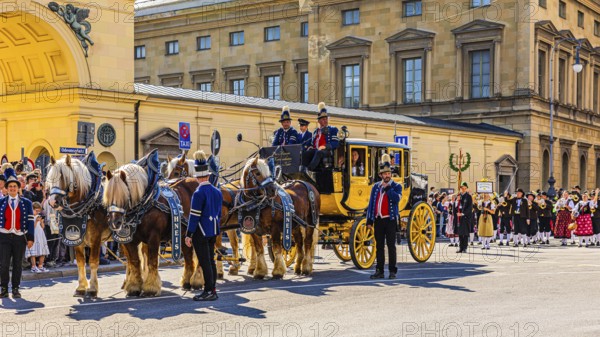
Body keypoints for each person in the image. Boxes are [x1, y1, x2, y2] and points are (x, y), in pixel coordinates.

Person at [185, 153, 223, 301]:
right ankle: (213, 289)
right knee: (211, 261)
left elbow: (194, 217)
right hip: (213, 230)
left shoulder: (198, 193)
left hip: (201, 232)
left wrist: (189, 234)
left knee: (205, 261)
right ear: (207, 176)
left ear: (197, 177)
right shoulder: (217, 192)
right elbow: (218, 214)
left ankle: (208, 290)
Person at [366, 154, 402, 279]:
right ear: (381, 175)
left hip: (390, 220)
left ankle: (392, 271)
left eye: (388, 174)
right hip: (379, 220)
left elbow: (397, 199)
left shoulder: (396, 186)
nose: (387, 176)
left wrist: (388, 189)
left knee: (391, 246)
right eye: (384, 174)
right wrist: (369, 220)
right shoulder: (375, 186)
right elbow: (372, 204)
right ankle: (379, 270)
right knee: (379, 246)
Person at [0, 168, 34, 298]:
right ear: (7, 188)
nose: (13, 188)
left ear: (18, 188)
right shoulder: (1, 202)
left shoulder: (27, 203)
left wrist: (30, 238)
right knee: (3, 264)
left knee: (17, 264)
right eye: (10, 186)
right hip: (3, 236)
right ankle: (3, 288)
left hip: (20, 237)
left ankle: (15, 288)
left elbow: (30, 221)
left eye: (15, 186)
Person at [304, 102, 339, 171]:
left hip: (326, 151)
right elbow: (312, 143)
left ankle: (309, 170)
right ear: (319, 121)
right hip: (316, 150)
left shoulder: (332, 129)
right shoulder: (315, 131)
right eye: (323, 119)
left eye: (326, 119)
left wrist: (325, 146)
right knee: (306, 153)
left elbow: (336, 143)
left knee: (319, 152)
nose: (325, 120)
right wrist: (310, 147)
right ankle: (302, 170)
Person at [25, 202, 49, 273]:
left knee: (43, 251)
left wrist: (41, 222)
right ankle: (33, 266)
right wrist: (35, 221)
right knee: (33, 251)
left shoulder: (39, 216)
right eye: (36, 210)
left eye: (39, 211)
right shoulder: (30, 217)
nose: (37, 212)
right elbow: (32, 227)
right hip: (34, 235)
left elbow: (43, 227)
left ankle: (40, 266)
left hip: (41, 235)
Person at [455, 182, 473, 253]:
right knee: (460, 233)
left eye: (465, 188)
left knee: (465, 233)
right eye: (462, 188)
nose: (463, 189)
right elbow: (455, 206)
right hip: (459, 217)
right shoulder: (458, 196)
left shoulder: (468, 197)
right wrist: (457, 201)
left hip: (465, 217)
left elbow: (470, 207)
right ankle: (460, 247)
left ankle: (465, 247)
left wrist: (463, 213)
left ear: (466, 188)